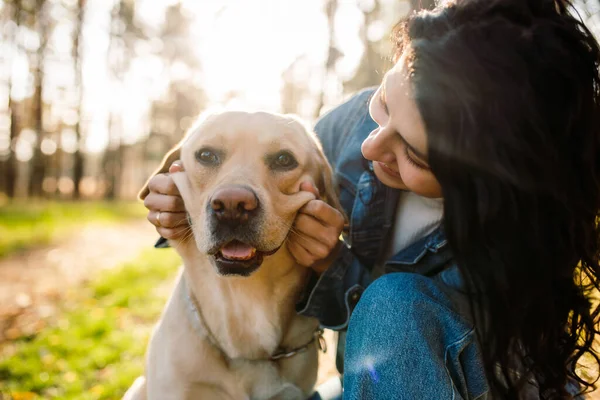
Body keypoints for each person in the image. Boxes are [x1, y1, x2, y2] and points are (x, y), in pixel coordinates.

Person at [143, 0, 600, 398]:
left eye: (415, 155)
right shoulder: (346, 128)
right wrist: (179, 206)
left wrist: (330, 266)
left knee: (393, 303)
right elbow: (253, 190)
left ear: (487, 181)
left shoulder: (515, 241)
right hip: (369, 385)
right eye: (383, 105)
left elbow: (397, 351)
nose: (370, 147)